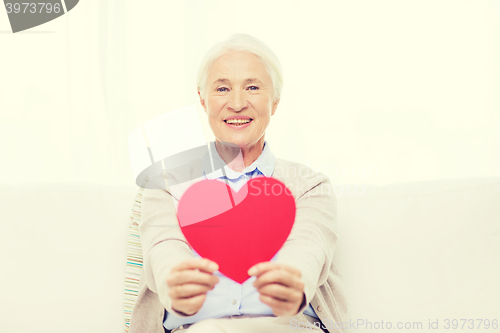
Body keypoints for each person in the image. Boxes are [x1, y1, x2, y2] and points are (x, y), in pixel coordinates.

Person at [128, 33, 347, 333]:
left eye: (253, 87)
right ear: (203, 100)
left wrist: (293, 287)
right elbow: (163, 253)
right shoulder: (166, 182)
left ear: (275, 102)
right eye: (222, 88)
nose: (237, 103)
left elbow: (308, 252)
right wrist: (175, 286)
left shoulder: (310, 185)